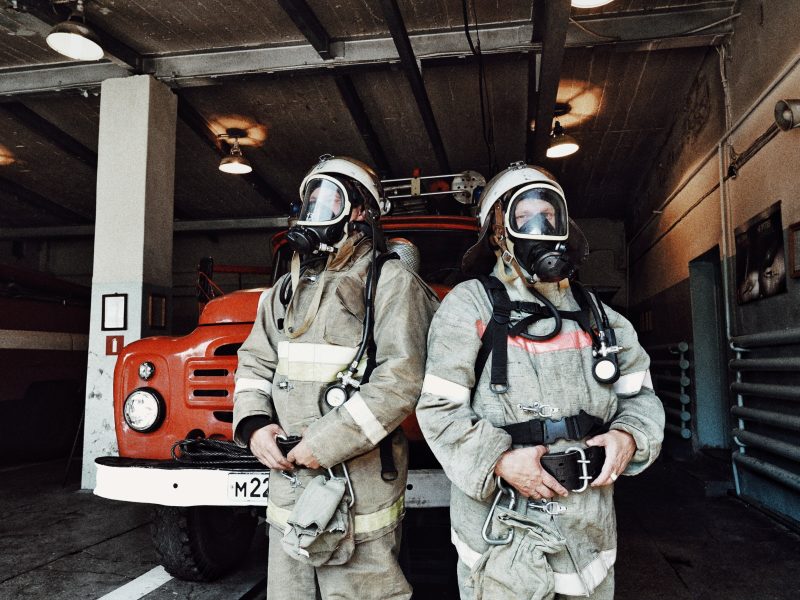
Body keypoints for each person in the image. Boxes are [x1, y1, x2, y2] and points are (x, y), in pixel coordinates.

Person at [416, 162, 665, 599]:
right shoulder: (468, 306)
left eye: (549, 217)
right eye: (524, 216)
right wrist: (499, 461)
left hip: (587, 526)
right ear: (498, 233)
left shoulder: (601, 317)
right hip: (501, 526)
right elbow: (439, 409)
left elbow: (640, 398)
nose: (540, 228)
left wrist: (629, 436)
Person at [232, 155, 439, 599]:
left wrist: (323, 444)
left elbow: (401, 380)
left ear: (361, 212)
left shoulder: (391, 283)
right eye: (311, 201)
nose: (314, 213)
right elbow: (254, 364)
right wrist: (253, 426)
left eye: (330, 200)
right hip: (289, 482)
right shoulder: (284, 290)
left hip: (359, 487)